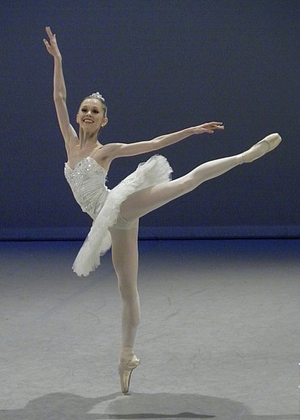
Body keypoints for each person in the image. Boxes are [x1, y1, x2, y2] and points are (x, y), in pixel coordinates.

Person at [43, 26, 281, 394]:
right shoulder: (70, 143)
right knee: (127, 289)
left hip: (117, 204)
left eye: (95, 112)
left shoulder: (106, 150)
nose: (88, 113)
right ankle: (126, 356)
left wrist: (190, 131)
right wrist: (58, 60)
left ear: (104, 121)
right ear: (79, 117)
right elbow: (58, 97)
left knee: (184, 183)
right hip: (113, 224)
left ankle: (245, 156)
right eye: (84, 109)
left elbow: (152, 143)